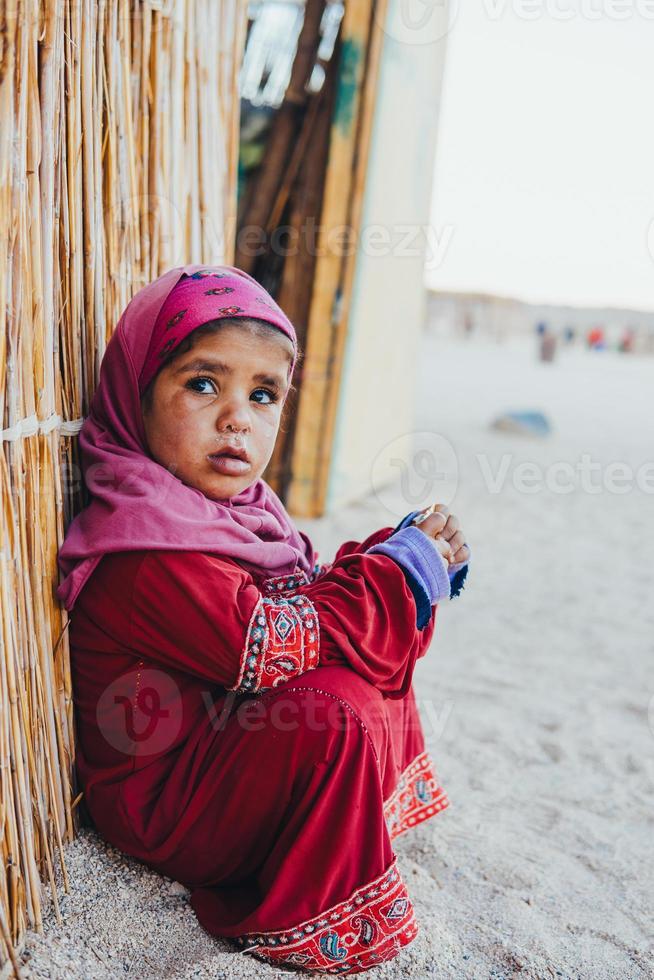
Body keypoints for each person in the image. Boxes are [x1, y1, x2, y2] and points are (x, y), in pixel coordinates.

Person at [56, 264, 470, 974]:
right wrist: (395, 575)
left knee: (368, 654)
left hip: (224, 751)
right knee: (330, 708)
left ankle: (344, 822)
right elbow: (267, 642)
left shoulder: (245, 515)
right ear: (135, 392)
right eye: (203, 383)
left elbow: (308, 598)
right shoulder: (143, 546)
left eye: (263, 393)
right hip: (165, 804)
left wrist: (395, 561)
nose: (236, 418)